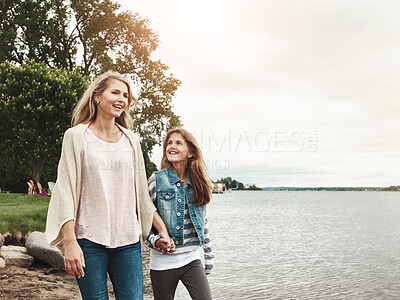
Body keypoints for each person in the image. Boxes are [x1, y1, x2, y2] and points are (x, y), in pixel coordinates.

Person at [45, 71, 172, 300]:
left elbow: (142, 196)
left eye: (125, 95)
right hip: (88, 240)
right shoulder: (75, 136)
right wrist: (71, 242)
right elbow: (64, 192)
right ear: (97, 97)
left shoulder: (131, 140)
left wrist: (162, 231)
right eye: (115, 92)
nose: (122, 99)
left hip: (128, 240)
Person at [147, 128, 214, 300]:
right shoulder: (156, 180)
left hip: (192, 259)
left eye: (178, 143)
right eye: (169, 143)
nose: (172, 146)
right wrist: (155, 241)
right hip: (162, 262)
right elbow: (142, 218)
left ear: (191, 152)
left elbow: (203, 223)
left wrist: (208, 258)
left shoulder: (199, 183)